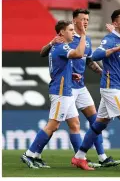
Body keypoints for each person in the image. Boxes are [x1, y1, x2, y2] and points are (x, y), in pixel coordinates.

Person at [40, 9, 120, 168]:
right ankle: (38, 153)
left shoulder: (87, 40)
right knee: (62, 124)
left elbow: (89, 61)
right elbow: (44, 53)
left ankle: (102, 157)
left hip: (81, 86)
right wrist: (51, 43)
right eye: (82, 19)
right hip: (67, 87)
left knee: (95, 120)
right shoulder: (65, 39)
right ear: (74, 21)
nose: (86, 22)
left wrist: (102, 72)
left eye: (87, 19)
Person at [71, 9, 120, 171]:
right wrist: (114, 49)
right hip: (110, 88)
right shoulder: (110, 39)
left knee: (99, 125)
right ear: (115, 24)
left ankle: (79, 157)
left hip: (115, 87)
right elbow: (97, 55)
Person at [21, 20, 86, 169]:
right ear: (62, 32)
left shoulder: (59, 47)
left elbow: (59, 68)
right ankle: (29, 154)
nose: (73, 32)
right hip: (60, 91)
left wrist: (71, 75)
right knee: (53, 125)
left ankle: (80, 158)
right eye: (70, 30)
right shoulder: (62, 46)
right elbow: (79, 53)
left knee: (75, 123)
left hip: (67, 91)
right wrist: (83, 34)